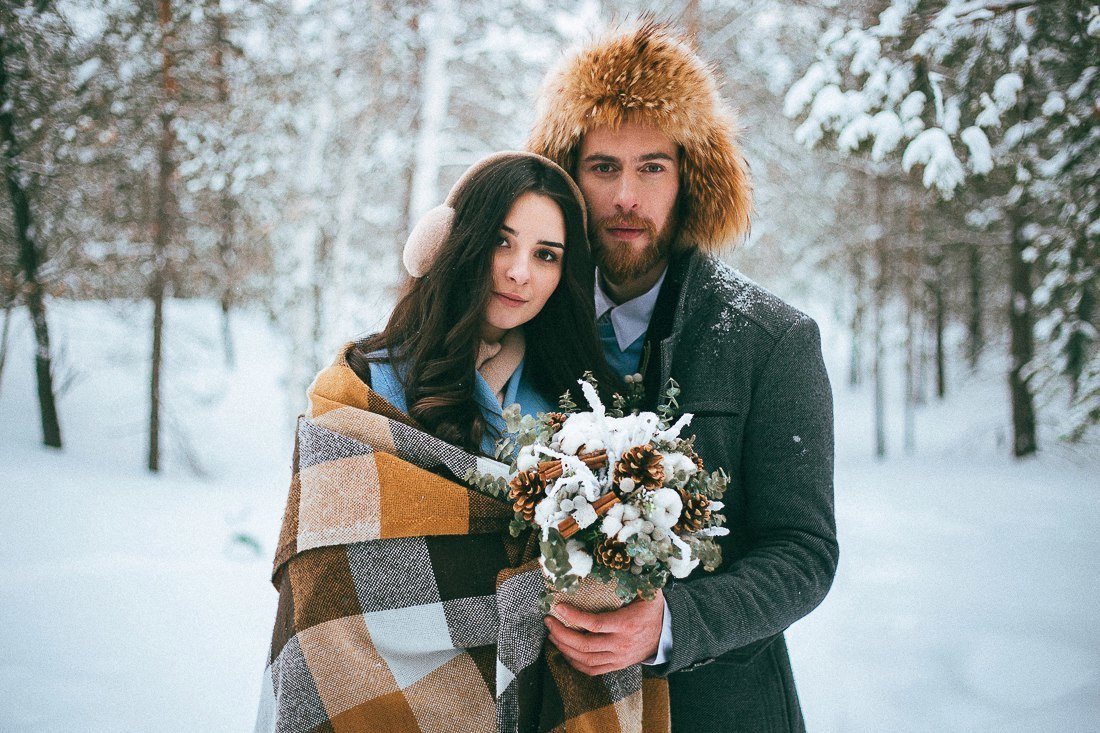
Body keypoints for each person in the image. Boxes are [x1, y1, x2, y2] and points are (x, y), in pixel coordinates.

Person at [256, 151, 667, 733]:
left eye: (546, 255)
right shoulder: (366, 385)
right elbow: (325, 584)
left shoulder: (579, 406)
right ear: (450, 243)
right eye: (502, 243)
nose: (520, 272)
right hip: (367, 693)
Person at [527, 20, 839, 732]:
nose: (627, 196)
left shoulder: (774, 339)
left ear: (692, 177)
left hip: (723, 709)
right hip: (550, 707)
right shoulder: (522, 322)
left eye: (652, 167)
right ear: (566, 176)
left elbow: (805, 550)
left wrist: (673, 622)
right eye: (604, 167)